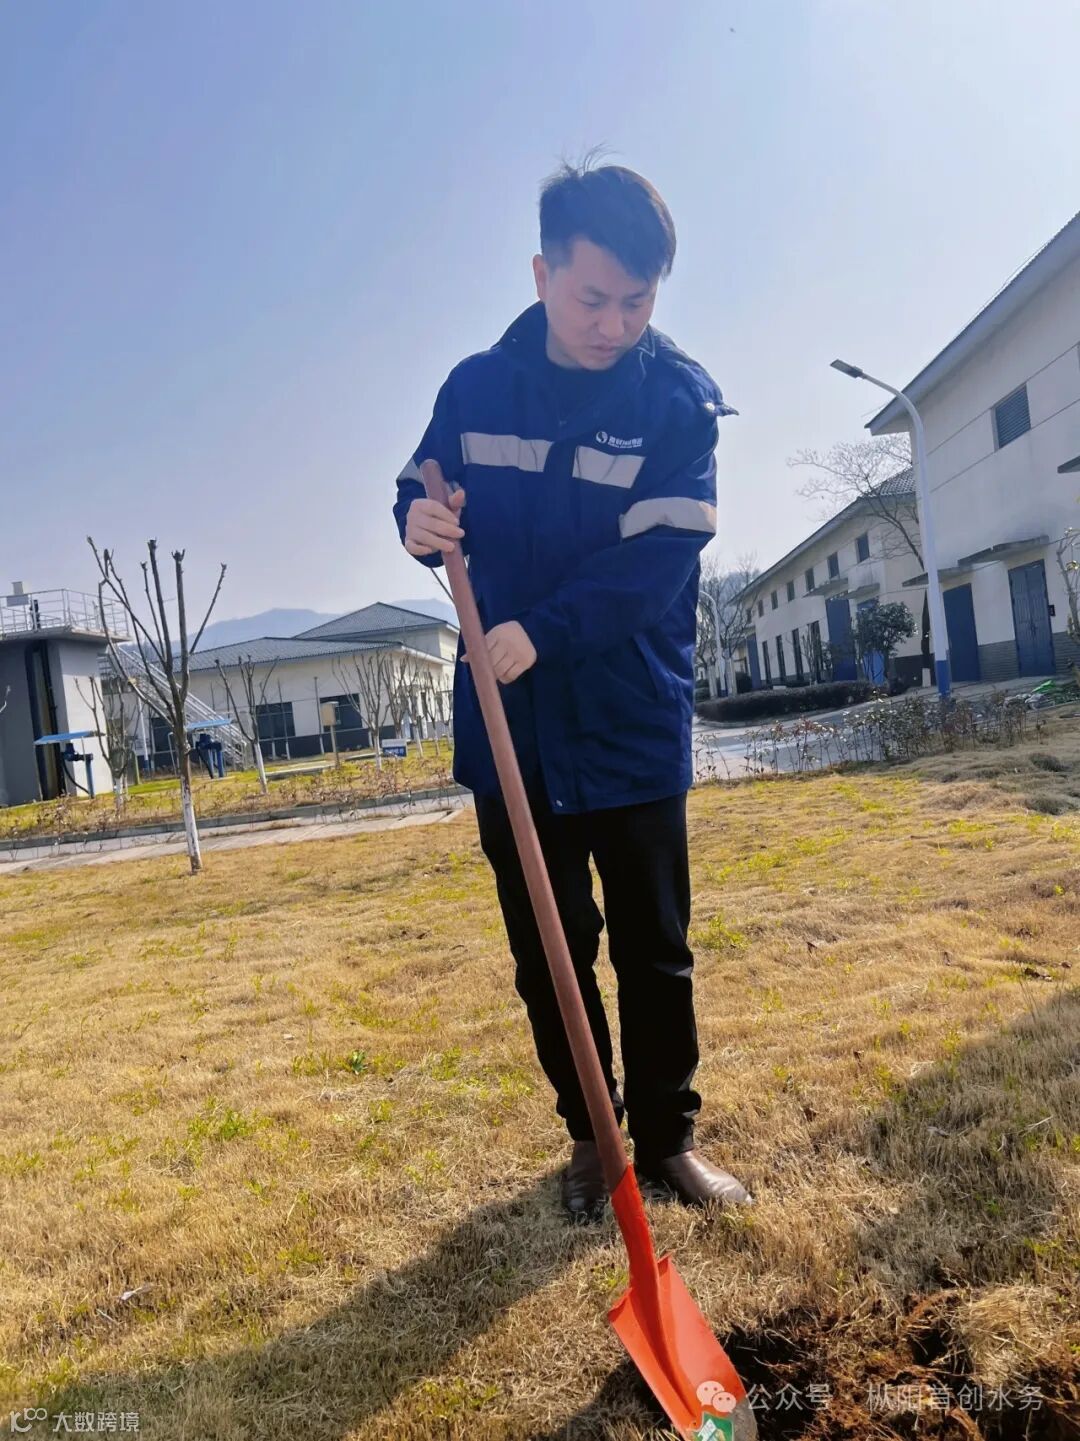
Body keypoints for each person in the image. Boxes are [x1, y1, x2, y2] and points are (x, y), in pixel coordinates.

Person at [393, 160, 751, 1221]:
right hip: (515, 731)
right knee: (549, 950)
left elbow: (656, 565)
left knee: (655, 946)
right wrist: (414, 523)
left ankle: (670, 1140)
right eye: (594, 298)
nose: (614, 325)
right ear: (543, 274)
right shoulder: (475, 390)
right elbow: (423, 486)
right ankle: (594, 1139)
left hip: (629, 712)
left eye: (638, 301)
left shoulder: (677, 403)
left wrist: (540, 633)